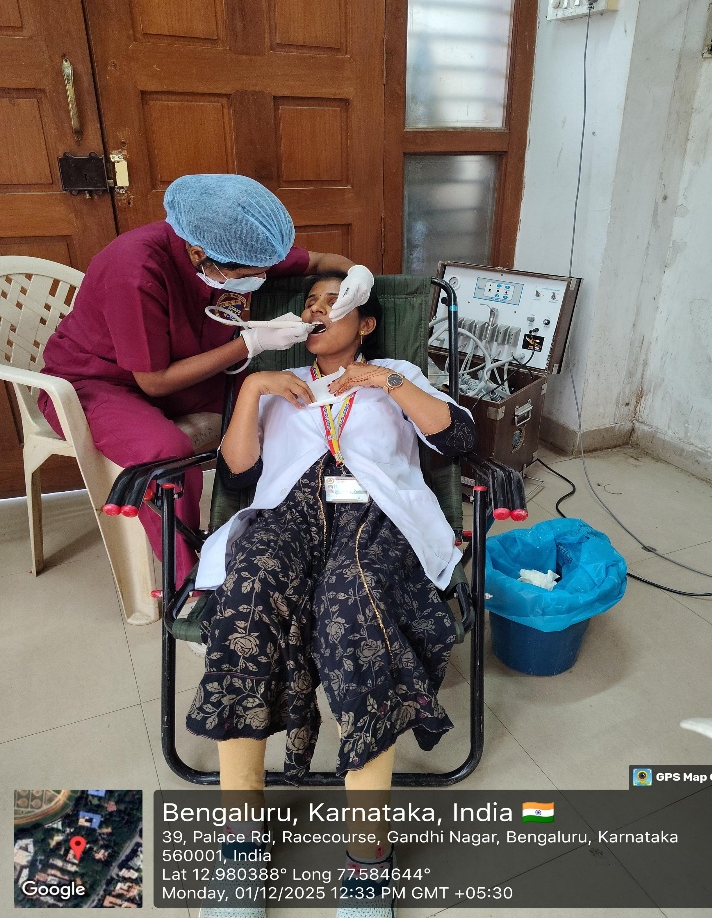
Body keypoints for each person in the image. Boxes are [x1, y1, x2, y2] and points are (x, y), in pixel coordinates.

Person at [187, 273, 476, 918]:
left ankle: (367, 858)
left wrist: (388, 384)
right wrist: (255, 387)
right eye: (309, 305)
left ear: (365, 324)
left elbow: (457, 440)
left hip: (376, 517)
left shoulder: (397, 372)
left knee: (359, 611)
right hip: (288, 515)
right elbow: (238, 470)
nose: (316, 312)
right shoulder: (279, 384)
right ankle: (240, 848)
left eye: (331, 304)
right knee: (246, 606)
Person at [37, 174, 374, 588]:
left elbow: (322, 261)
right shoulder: (134, 270)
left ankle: (278, 529)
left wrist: (358, 271)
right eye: (252, 275)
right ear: (200, 254)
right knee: (165, 451)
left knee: (274, 412)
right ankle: (186, 582)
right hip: (99, 382)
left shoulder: (242, 247)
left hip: (190, 368)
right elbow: (155, 381)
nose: (261, 279)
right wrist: (250, 343)